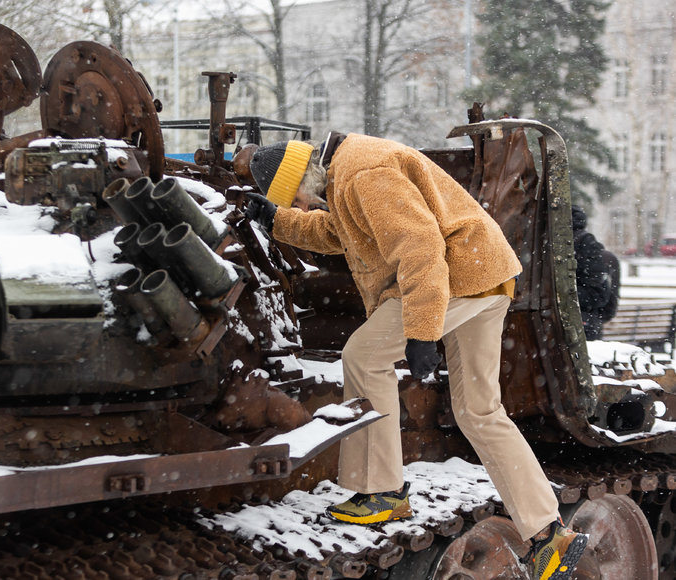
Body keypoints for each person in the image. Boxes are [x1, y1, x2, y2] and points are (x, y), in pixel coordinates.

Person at [243, 135, 588, 580]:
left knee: (364, 356)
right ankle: (550, 536)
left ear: (304, 175)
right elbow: (340, 232)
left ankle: (382, 491)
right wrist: (279, 221)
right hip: (485, 274)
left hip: (457, 277)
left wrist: (422, 332)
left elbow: (420, 245)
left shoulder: (363, 173)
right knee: (480, 411)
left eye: (297, 199)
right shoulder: (345, 175)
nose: (306, 208)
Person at [571, 205, 614, 340]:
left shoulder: (583, 244)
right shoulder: (587, 244)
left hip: (582, 322)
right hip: (588, 321)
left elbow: (597, 294)